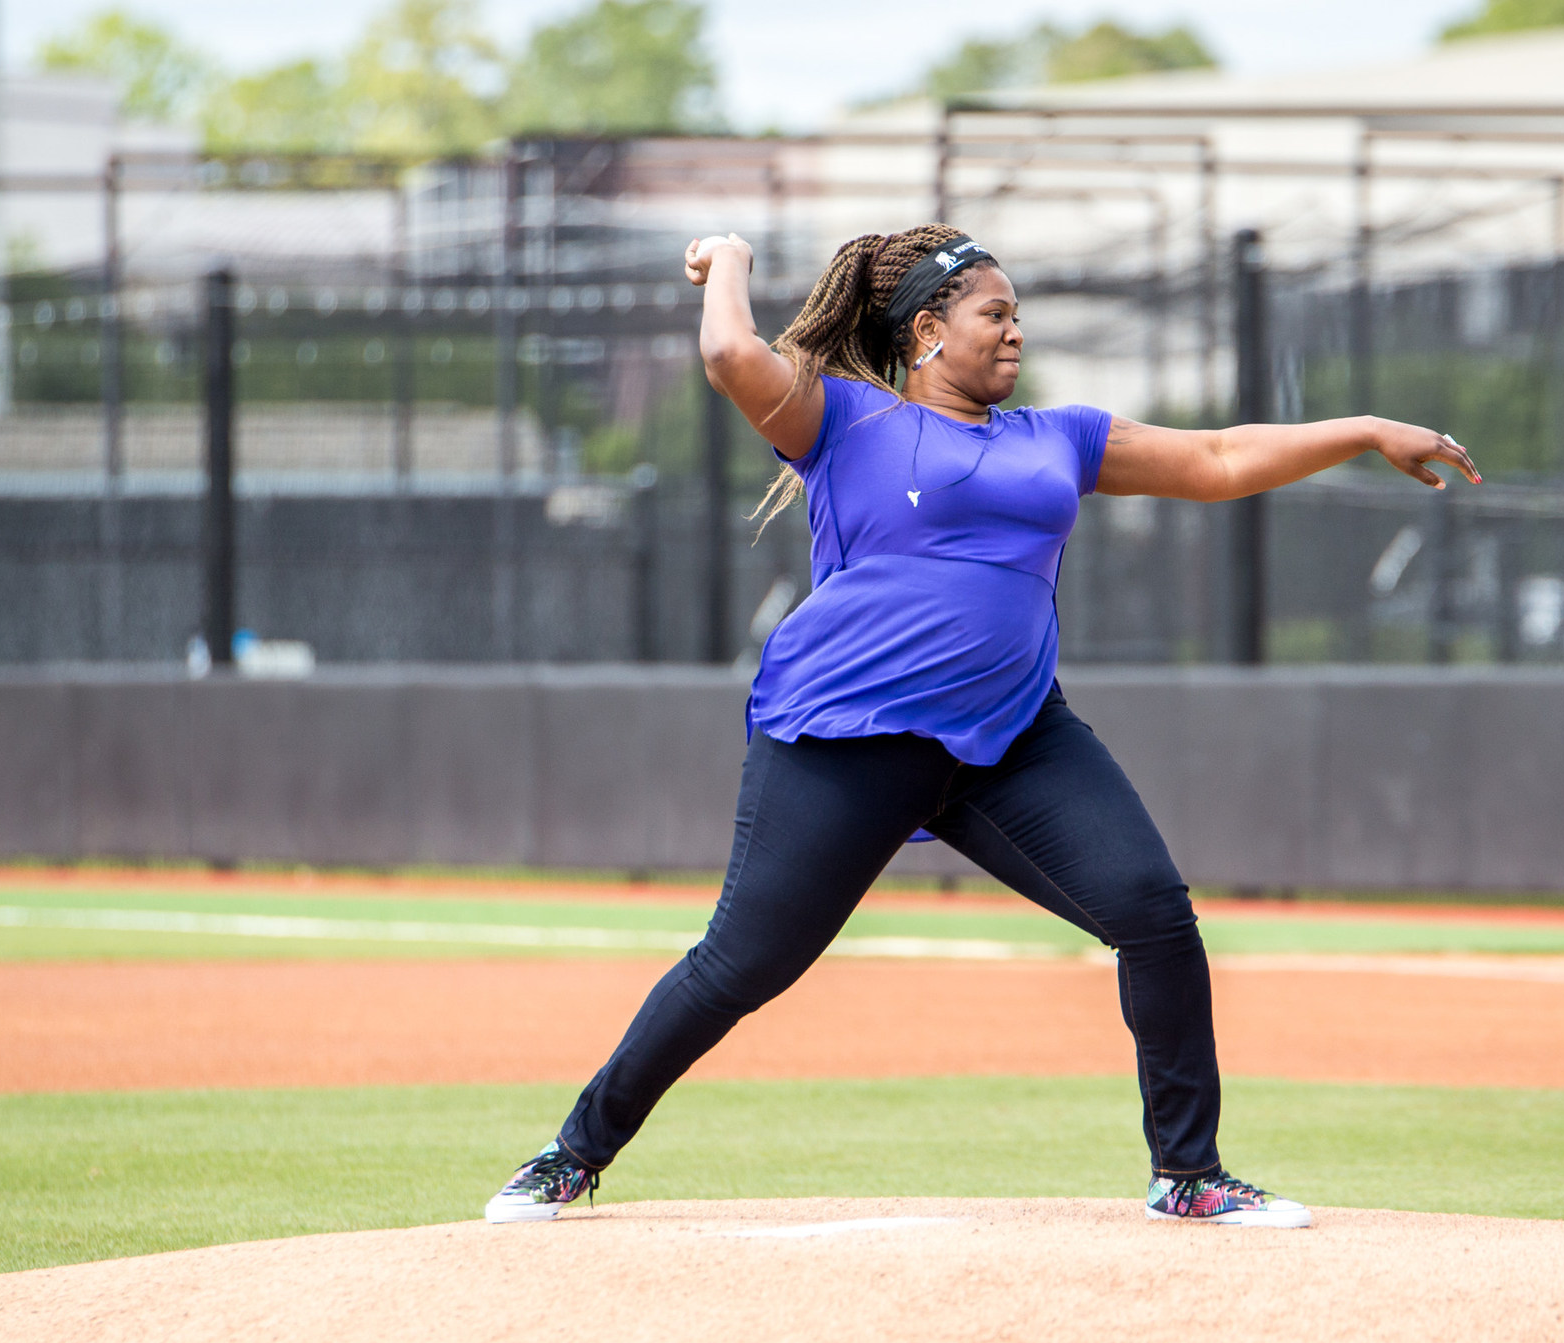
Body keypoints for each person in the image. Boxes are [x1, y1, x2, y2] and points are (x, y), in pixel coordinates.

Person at [484, 224, 1476, 1230]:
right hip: (848, 734)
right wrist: (728, 260)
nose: (1012, 335)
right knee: (743, 963)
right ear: (926, 331)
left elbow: (1216, 459)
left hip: (1012, 739)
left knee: (1153, 914)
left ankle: (1187, 1171)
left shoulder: (1058, 440)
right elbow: (728, 355)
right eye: (993, 315)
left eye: (1016, 317)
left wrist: (1358, 428)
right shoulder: (843, 422)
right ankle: (573, 1153)